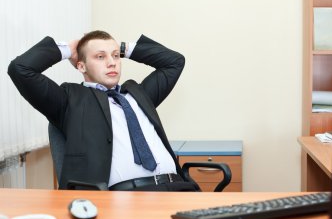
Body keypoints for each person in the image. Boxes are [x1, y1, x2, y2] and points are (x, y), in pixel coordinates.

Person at [8, 30, 198, 191]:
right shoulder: (69, 100)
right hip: (124, 198)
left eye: (115, 56)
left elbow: (174, 62)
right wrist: (69, 49)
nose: (112, 62)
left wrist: (122, 48)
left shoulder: (138, 94)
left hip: (178, 188)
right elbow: (20, 69)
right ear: (81, 65)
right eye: (100, 57)